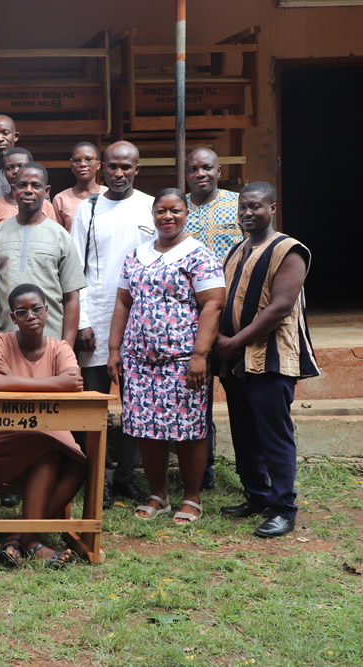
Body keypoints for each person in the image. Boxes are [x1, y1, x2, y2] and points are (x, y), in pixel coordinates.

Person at [106, 189, 225, 524]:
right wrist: (114, 350)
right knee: (147, 428)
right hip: (139, 360)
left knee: (189, 429)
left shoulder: (198, 255)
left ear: (186, 214)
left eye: (175, 211)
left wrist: (200, 354)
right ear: (153, 214)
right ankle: (158, 494)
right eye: (161, 211)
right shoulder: (136, 255)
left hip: (183, 359)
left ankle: (192, 497)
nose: (168, 217)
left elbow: (213, 304)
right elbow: (123, 304)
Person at [216, 182, 318, 538]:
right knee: (245, 432)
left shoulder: (288, 250)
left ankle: (284, 508)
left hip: (270, 358)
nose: (247, 213)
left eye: (255, 206)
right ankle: (257, 495)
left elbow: (280, 308)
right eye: (243, 207)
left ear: (272, 208)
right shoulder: (235, 251)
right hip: (235, 360)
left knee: (273, 434)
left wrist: (233, 343)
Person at [0, 283, 87, 568]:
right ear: (13, 317)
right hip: (1, 436)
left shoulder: (60, 348)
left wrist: (16, 381)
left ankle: (18, 538)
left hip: (48, 436)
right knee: (48, 446)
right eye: (21, 311)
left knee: (78, 464)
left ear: (47, 310)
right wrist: (56, 383)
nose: (31, 316)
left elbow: (74, 383)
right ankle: (33, 543)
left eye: (37, 308)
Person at [70, 140, 154, 508]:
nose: (119, 173)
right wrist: (83, 321)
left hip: (141, 323)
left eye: (127, 167)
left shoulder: (152, 207)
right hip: (97, 322)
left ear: (137, 168)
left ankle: (126, 478)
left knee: (136, 405)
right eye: (114, 167)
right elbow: (75, 270)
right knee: (94, 406)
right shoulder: (87, 210)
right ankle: (97, 479)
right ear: (102, 167)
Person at [185, 146, 243, 490]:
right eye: (194, 168)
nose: (201, 173)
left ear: (219, 170)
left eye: (207, 167)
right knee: (198, 398)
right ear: (187, 174)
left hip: (235, 316)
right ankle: (203, 470)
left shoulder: (239, 204)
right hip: (195, 316)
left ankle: (251, 471)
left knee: (240, 395)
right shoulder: (177, 209)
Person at [0, 163, 85, 348]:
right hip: (7, 340)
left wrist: (67, 347)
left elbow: (72, 297)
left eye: (36, 186)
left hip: (52, 341)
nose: (28, 190)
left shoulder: (61, 236)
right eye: (22, 185)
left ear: (46, 191)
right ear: (13, 189)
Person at [0, 147, 58, 224]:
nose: (15, 171)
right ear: (3, 173)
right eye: (9, 168)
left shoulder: (45, 205)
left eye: (21, 166)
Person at [52, 142, 107, 233]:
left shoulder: (108, 194)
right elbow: (57, 236)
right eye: (77, 160)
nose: (83, 164)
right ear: (72, 166)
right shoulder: (61, 199)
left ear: (98, 165)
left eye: (89, 159)